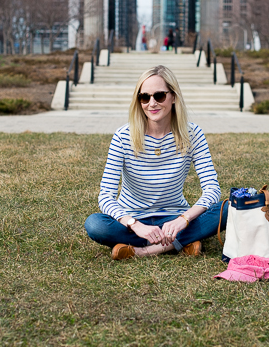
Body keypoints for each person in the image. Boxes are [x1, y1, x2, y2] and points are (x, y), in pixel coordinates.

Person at [85, 65, 226, 260]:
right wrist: (135, 224)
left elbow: (212, 189)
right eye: (145, 97)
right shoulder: (122, 136)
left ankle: (145, 250)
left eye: (159, 96)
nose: (152, 103)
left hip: (175, 218)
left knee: (228, 208)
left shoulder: (192, 134)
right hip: (133, 220)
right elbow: (105, 196)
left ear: (173, 97)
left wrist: (183, 220)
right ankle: (181, 242)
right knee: (95, 224)